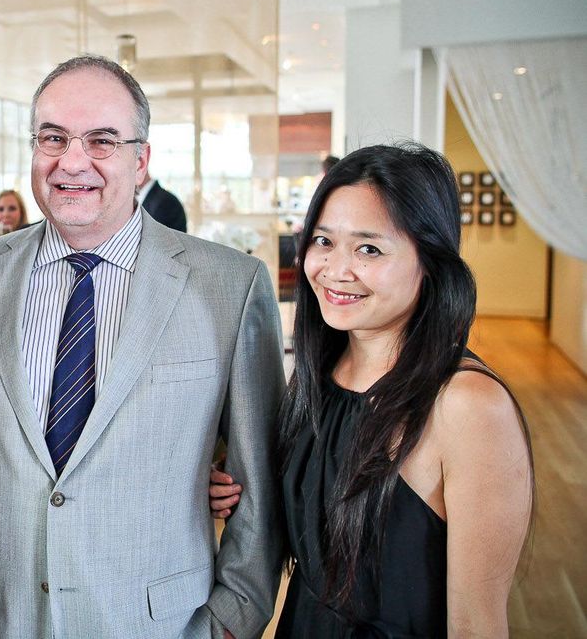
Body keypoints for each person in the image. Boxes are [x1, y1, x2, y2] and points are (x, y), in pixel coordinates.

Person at [0, 55, 285, 639]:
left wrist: (233, 620)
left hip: (160, 622)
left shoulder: (228, 285)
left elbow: (261, 477)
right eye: (52, 137)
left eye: (102, 140)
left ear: (142, 160)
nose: (71, 162)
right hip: (0, 616)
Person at [211, 144, 534, 636]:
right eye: (323, 241)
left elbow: (477, 623)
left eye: (369, 249)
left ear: (429, 260)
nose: (336, 270)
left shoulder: (466, 404)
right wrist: (231, 489)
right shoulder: (321, 374)